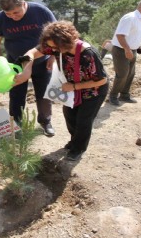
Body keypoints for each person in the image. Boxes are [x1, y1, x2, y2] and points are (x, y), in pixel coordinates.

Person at [14, 21, 108, 161]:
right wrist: (26, 64)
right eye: (51, 46)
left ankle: (78, 149)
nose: (52, 50)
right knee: (70, 115)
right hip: (72, 89)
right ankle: (74, 141)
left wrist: (74, 87)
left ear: (65, 42)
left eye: (55, 47)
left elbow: (102, 80)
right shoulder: (55, 46)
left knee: (83, 120)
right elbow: (33, 52)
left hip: (93, 91)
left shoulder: (88, 53)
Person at [0, 0, 57, 137]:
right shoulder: (0, 19)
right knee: (16, 95)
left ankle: (45, 122)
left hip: (42, 60)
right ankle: (17, 125)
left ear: (24, 4)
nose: (13, 17)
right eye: (9, 14)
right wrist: (1, 66)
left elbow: (55, 36)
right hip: (15, 64)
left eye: (16, 12)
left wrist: (53, 56)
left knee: (44, 93)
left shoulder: (41, 12)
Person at [108, 0, 141, 106]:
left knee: (130, 74)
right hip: (121, 50)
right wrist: (127, 49)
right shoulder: (130, 18)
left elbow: (134, 34)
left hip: (131, 50)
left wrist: (138, 46)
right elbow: (120, 35)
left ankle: (124, 95)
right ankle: (113, 96)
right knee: (122, 74)